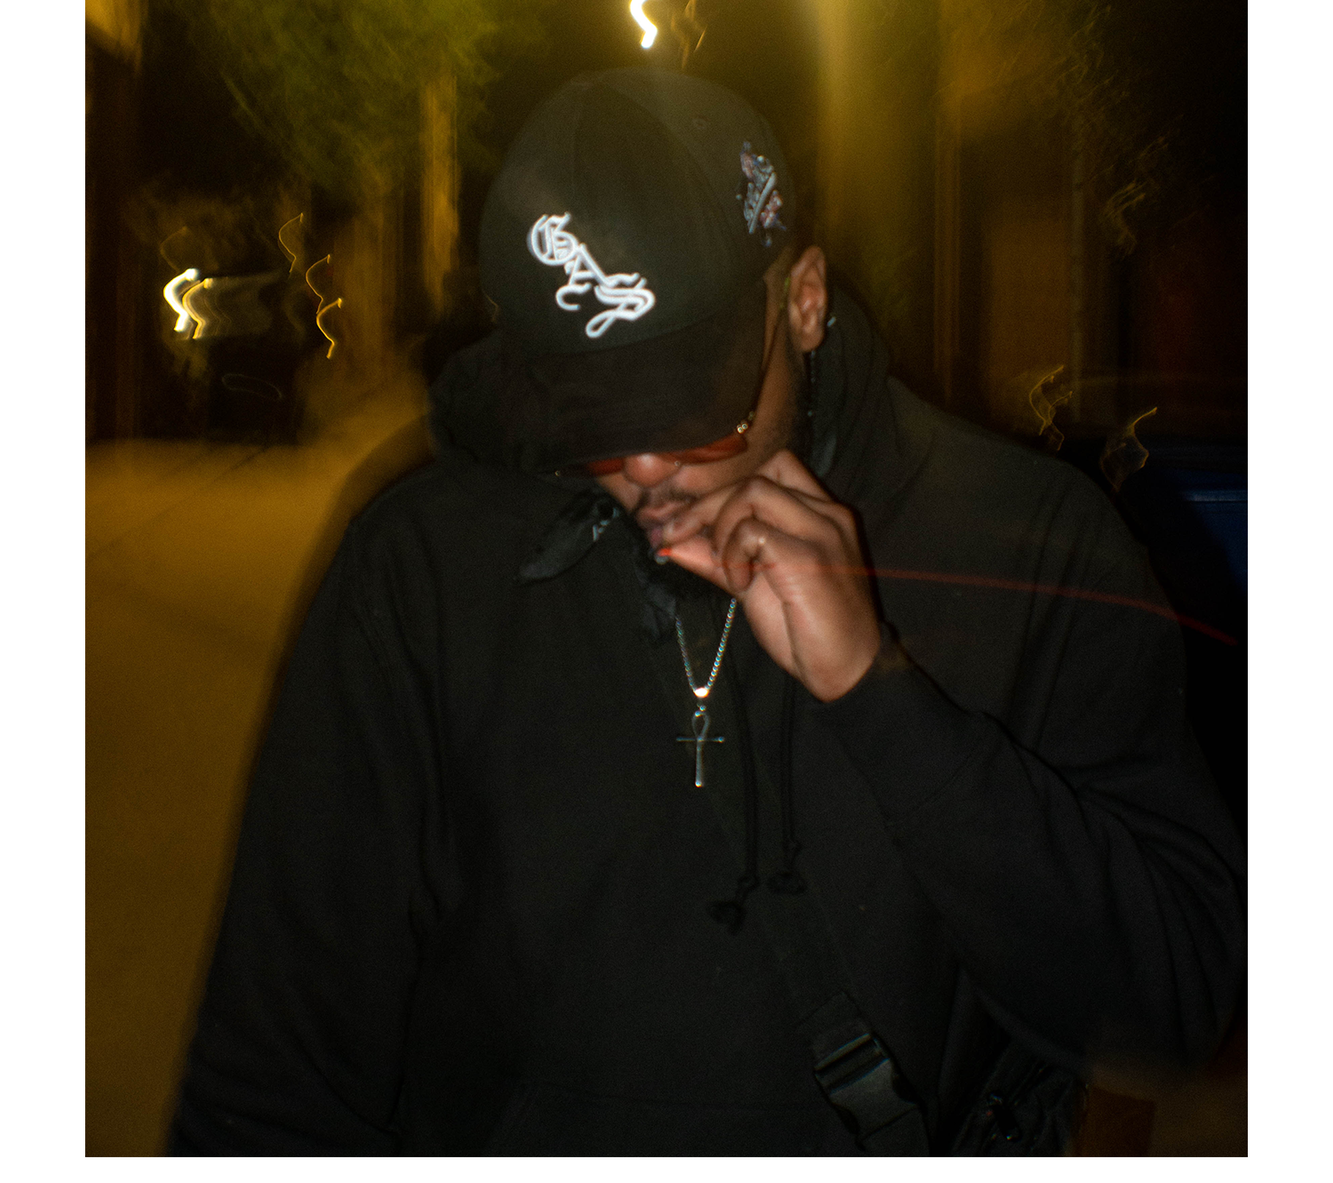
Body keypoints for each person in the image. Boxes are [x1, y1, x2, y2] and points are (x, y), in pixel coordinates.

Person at [170, 68, 1245, 1156]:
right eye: (593, 411)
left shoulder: (1031, 544)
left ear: (803, 301)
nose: (644, 467)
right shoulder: (422, 574)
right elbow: (269, 1070)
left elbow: (1173, 1007)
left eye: (695, 405)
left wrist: (881, 699)